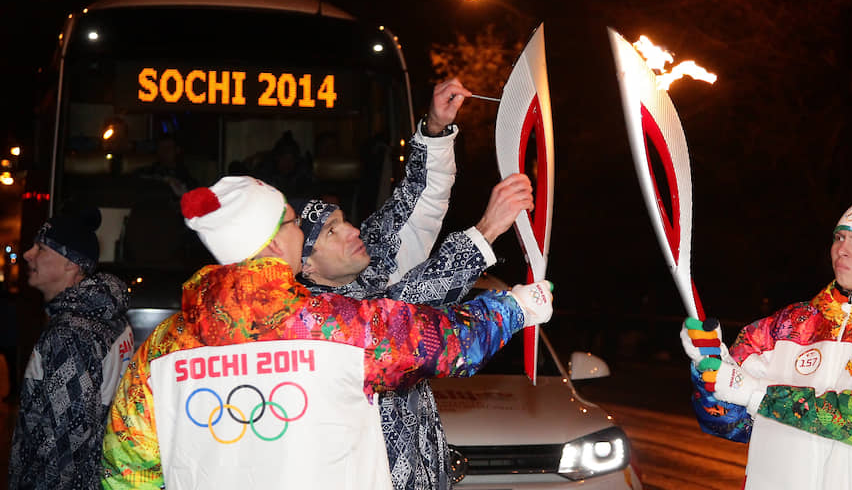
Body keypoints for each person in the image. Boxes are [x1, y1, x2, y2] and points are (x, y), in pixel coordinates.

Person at [100, 176, 553, 489]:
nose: (301, 231)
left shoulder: (161, 348)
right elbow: (445, 344)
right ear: (274, 242)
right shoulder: (329, 325)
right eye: (295, 223)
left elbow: (127, 470)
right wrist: (514, 307)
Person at [295, 77, 527, 489]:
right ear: (306, 266)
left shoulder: (369, 261)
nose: (351, 230)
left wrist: (435, 130)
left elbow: (415, 202)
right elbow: (404, 316)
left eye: (342, 220)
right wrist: (487, 230)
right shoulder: (310, 319)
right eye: (332, 232)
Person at [680, 189, 852, 490]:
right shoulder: (784, 326)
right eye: (839, 237)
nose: (842, 249)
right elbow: (728, 423)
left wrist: (756, 393)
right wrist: (710, 365)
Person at [9, 207, 134, 489]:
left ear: (71, 263)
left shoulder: (71, 333)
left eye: (41, 248)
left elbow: (64, 441)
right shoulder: (107, 318)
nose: (28, 254)